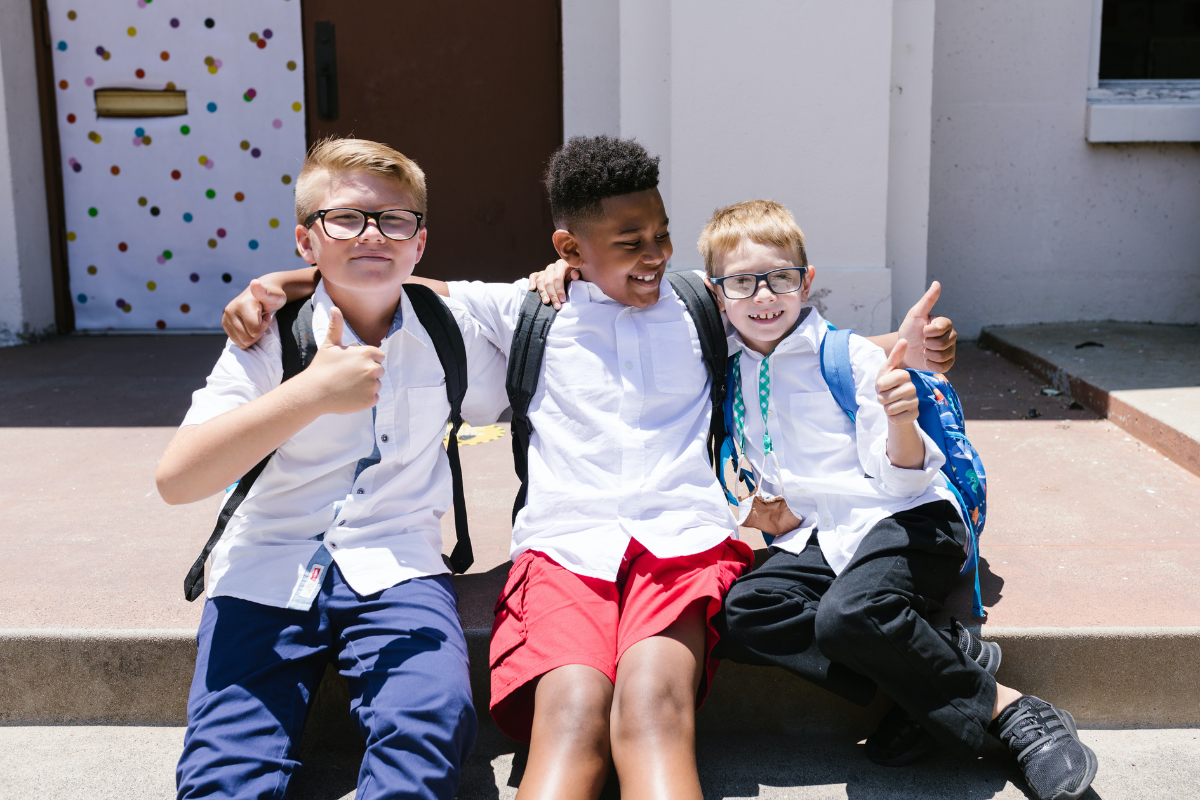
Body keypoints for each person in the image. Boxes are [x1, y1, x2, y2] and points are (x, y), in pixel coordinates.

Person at [222, 135, 957, 800]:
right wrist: (278, 286)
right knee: (570, 719)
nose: (656, 255)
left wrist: (905, 347)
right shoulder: (526, 311)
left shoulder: (701, 303)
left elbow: (788, 326)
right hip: (564, 551)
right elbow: (386, 283)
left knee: (651, 713)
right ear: (570, 249)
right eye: (630, 241)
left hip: (680, 546)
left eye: (663, 235)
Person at [697, 199, 1099, 800]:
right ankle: (938, 661)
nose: (763, 295)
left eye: (780, 277)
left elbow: (903, 482)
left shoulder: (852, 358)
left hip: (906, 518)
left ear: (806, 282)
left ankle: (1015, 714)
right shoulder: (726, 363)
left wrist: (902, 420)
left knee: (849, 615)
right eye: (741, 282)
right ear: (717, 293)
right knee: (738, 613)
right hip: (813, 537)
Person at [157, 138, 508, 800]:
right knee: (226, 764)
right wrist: (309, 392)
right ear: (305, 240)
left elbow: (565, 323)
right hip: (267, 563)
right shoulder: (268, 338)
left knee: (427, 724)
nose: (372, 234)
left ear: (419, 242)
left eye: (393, 220)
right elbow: (177, 479)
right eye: (345, 218)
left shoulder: (454, 331)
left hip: (397, 563)